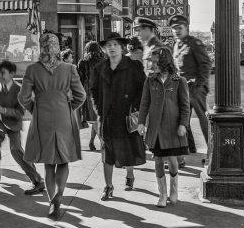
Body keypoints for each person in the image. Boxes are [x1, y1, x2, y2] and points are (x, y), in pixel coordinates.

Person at [19, 33, 86, 219]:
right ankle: (60, 194)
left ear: (42, 48)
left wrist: (35, 109)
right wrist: (68, 107)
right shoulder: (70, 68)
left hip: (42, 118)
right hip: (64, 115)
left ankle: (51, 201)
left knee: (49, 163)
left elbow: (23, 98)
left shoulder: (32, 69)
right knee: (63, 160)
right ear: (58, 47)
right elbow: (81, 96)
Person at [90, 32, 146, 200]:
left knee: (128, 148)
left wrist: (135, 107)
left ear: (122, 47)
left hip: (127, 114)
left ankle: (129, 175)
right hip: (107, 115)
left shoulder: (133, 66)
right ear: (105, 49)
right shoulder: (99, 69)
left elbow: (142, 89)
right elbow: (93, 91)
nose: (112, 48)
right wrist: (99, 109)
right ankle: (108, 186)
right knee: (107, 151)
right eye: (109, 45)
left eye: (115, 44)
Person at [0, 60, 45, 195]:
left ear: (12, 74)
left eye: (3, 73)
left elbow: (20, 112)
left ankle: (37, 180)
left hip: (14, 123)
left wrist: (4, 111)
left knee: (16, 151)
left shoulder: (19, 90)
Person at [138, 48, 190, 207]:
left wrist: (183, 124)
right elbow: (144, 103)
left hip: (173, 128)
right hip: (156, 129)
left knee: (173, 160)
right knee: (158, 160)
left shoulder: (179, 81)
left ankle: (174, 189)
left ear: (164, 62)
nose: (152, 65)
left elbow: (185, 106)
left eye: (155, 62)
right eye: (151, 61)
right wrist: (141, 122)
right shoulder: (149, 81)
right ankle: (163, 193)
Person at [168, 15, 211, 163]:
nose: (177, 31)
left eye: (179, 28)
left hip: (195, 89)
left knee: (204, 121)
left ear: (186, 28)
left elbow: (206, 64)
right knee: (178, 120)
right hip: (182, 89)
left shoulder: (195, 43)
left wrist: (198, 84)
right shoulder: (176, 45)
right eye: (174, 29)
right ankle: (180, 156)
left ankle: (212, 154)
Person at [77, 41, 105, 151]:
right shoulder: (104, 61)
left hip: (89, 94)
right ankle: (92, 142)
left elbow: (79, 79)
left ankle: (103, 142)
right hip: (102, 93)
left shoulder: (83, 62)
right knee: (96, 119)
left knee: (94, 119)